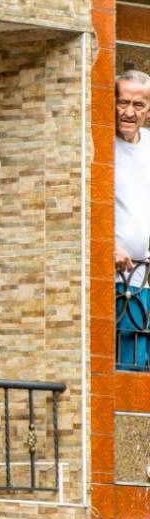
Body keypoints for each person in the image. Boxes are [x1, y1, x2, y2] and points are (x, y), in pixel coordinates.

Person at [115, 70, 150, 369]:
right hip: (114, 279)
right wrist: (108, 245)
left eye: (138, 105)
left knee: (140, 367)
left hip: (143, 281)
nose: (129, 112)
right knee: (125, 368)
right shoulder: (99, 144)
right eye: (123, 102)